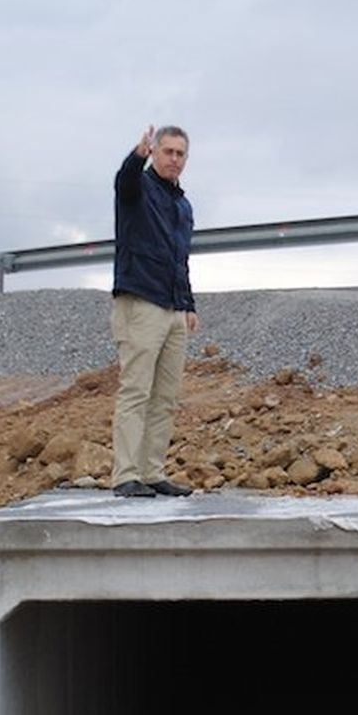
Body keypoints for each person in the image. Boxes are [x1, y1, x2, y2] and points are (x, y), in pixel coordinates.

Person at [109, 124, 200, 498]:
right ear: (155, 152)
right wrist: (135, 157)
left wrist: (188, 305)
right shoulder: (138, 189)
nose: (174, 159)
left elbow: (181, 258)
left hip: (173, 308)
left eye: (181, 154)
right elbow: (124, 181)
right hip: (141, 301)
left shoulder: (182, 205)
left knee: (165, 396)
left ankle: (152, 472)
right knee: (136, 391)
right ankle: (125, 475)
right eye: (168, 152)